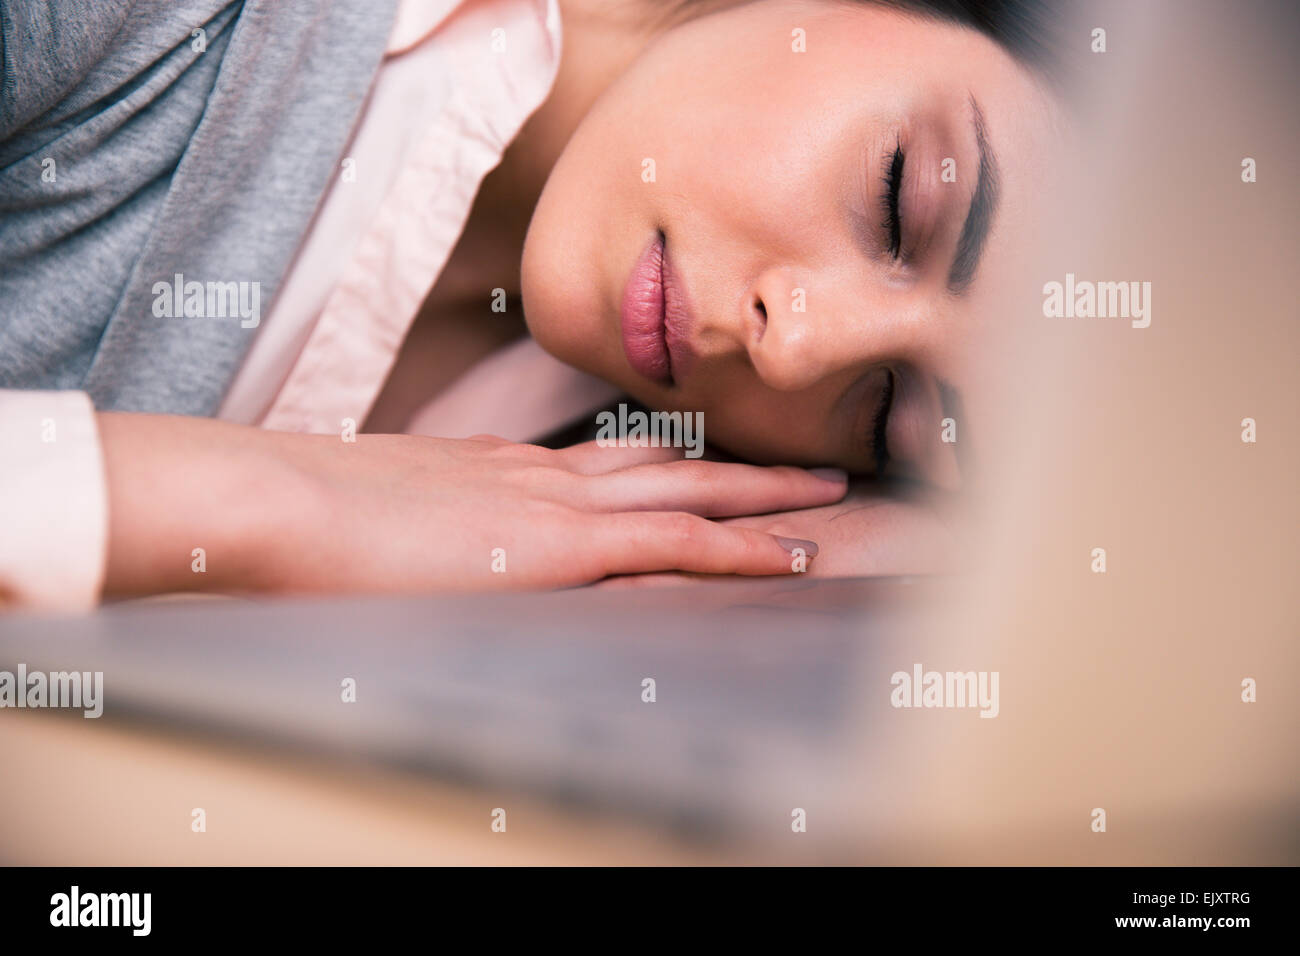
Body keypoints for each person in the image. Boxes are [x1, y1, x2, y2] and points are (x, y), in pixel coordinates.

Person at [0, 0, 1068, 609]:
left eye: (895, 413)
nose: (797, 349)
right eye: (896, 201)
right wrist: (259, 501)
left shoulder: (600, 520)